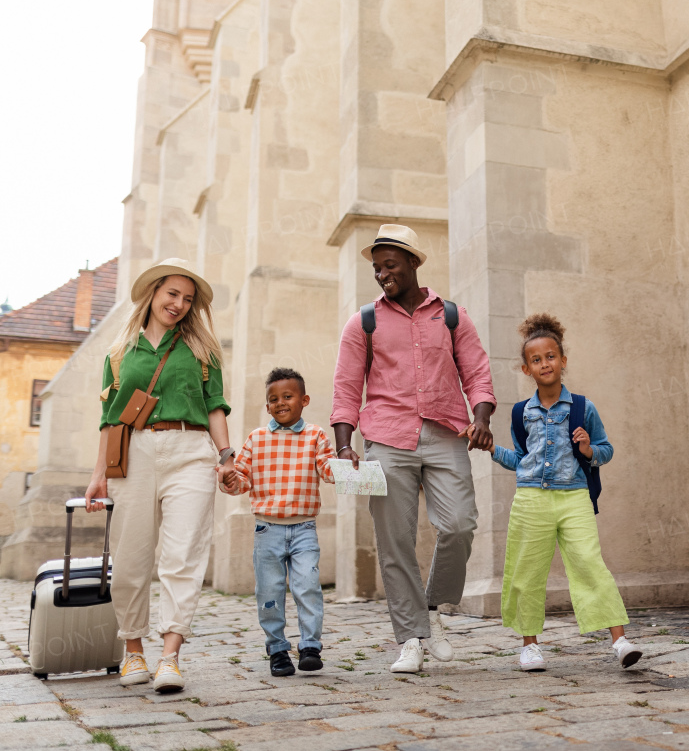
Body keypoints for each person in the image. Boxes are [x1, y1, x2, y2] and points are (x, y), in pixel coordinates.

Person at [330, 224, 496, 673]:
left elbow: (477, 373)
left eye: (390, 265)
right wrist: (345, 446)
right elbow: (346, 388)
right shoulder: (364, 321)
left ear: (413, 263)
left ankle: (433, 608)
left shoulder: (452, 315)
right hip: (386, 438)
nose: (383, 274)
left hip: (446, 433)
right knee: (394, 541)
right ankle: (410, 637)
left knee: (460, 524)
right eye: (376, 268)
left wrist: (481, 417)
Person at [85, 259, 239, 693]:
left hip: (191, 451)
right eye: (172, 294)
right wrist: (98, 474)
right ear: (153, 292)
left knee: (183, 555)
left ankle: (170, 656)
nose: (179, 304)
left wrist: (226, 457)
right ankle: (133, 651)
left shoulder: (203, 352)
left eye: (188, 299)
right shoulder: (118, 354)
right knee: (131, 558)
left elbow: (215, 407)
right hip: (133, 454)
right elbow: (108, 420)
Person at [483, 313, 642, 672]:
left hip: (574, 497)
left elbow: (606, 450)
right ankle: (529, 647)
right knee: (526, 571)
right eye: (536, 360)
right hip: (531, 498)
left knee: (589, 563)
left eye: (550, 356)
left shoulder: (584, 408)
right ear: (527, 369)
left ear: (563, 360)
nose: (544, 363)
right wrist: (492, 449)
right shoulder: (521, 413)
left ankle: (620, 640)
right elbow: (521, 459)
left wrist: (588, 449)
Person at [224, 367, 335, 677]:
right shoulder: (257, 438)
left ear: (304, 400)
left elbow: (327, 471)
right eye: (273, 399)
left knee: (307, 585)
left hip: (304, 529)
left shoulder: (315, 435)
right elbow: (240, 479)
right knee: (269, 592)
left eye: (288, 396)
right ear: (267, 404)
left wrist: (347, 465)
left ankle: (310, 646)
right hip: (267, 529)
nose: (280, 403)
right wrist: (229, 478)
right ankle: (277, 650)